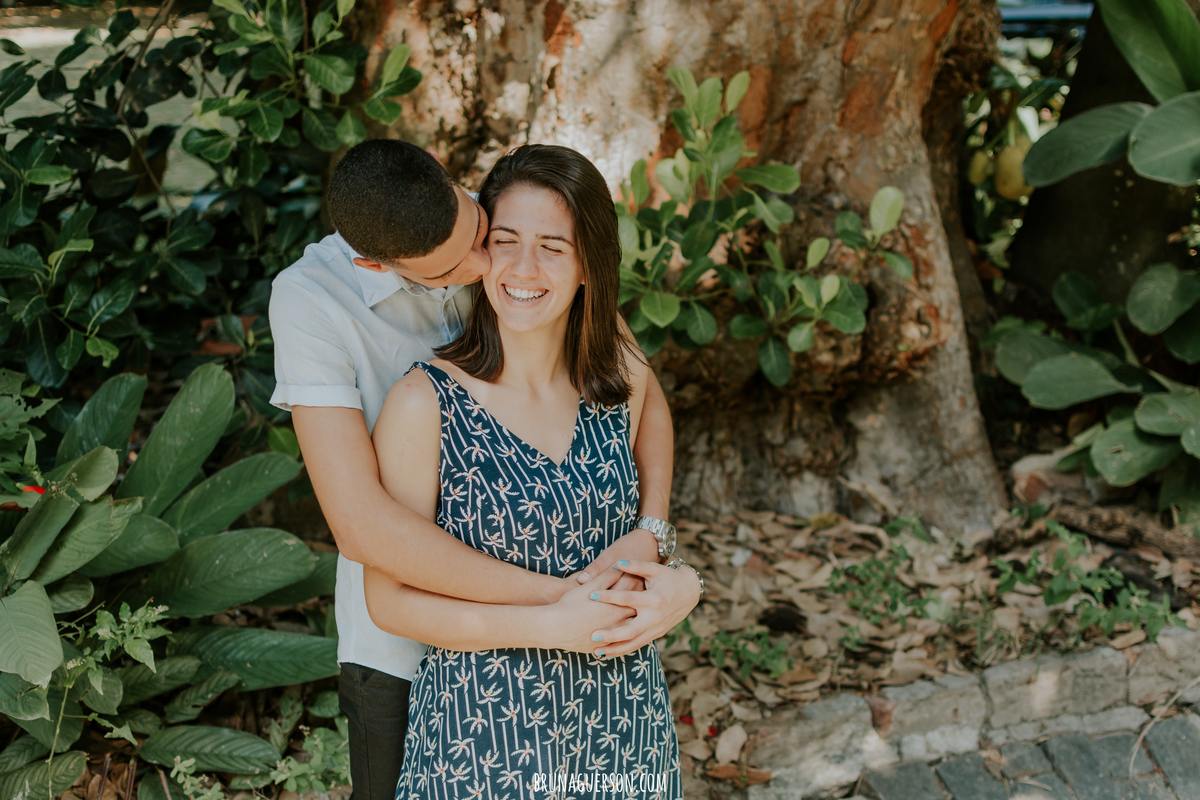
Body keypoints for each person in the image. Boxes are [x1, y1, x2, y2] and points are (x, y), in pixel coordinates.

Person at [268, 139, 697, 800]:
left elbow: (636, 386)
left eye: (480, 234)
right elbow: (361, 527)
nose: (484, 266)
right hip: (411, 636)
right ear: (376, 263)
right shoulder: (313, 304)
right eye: (450, 270)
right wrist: (564, 600)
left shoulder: (519, 244)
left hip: (589, 659)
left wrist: (655, 535)